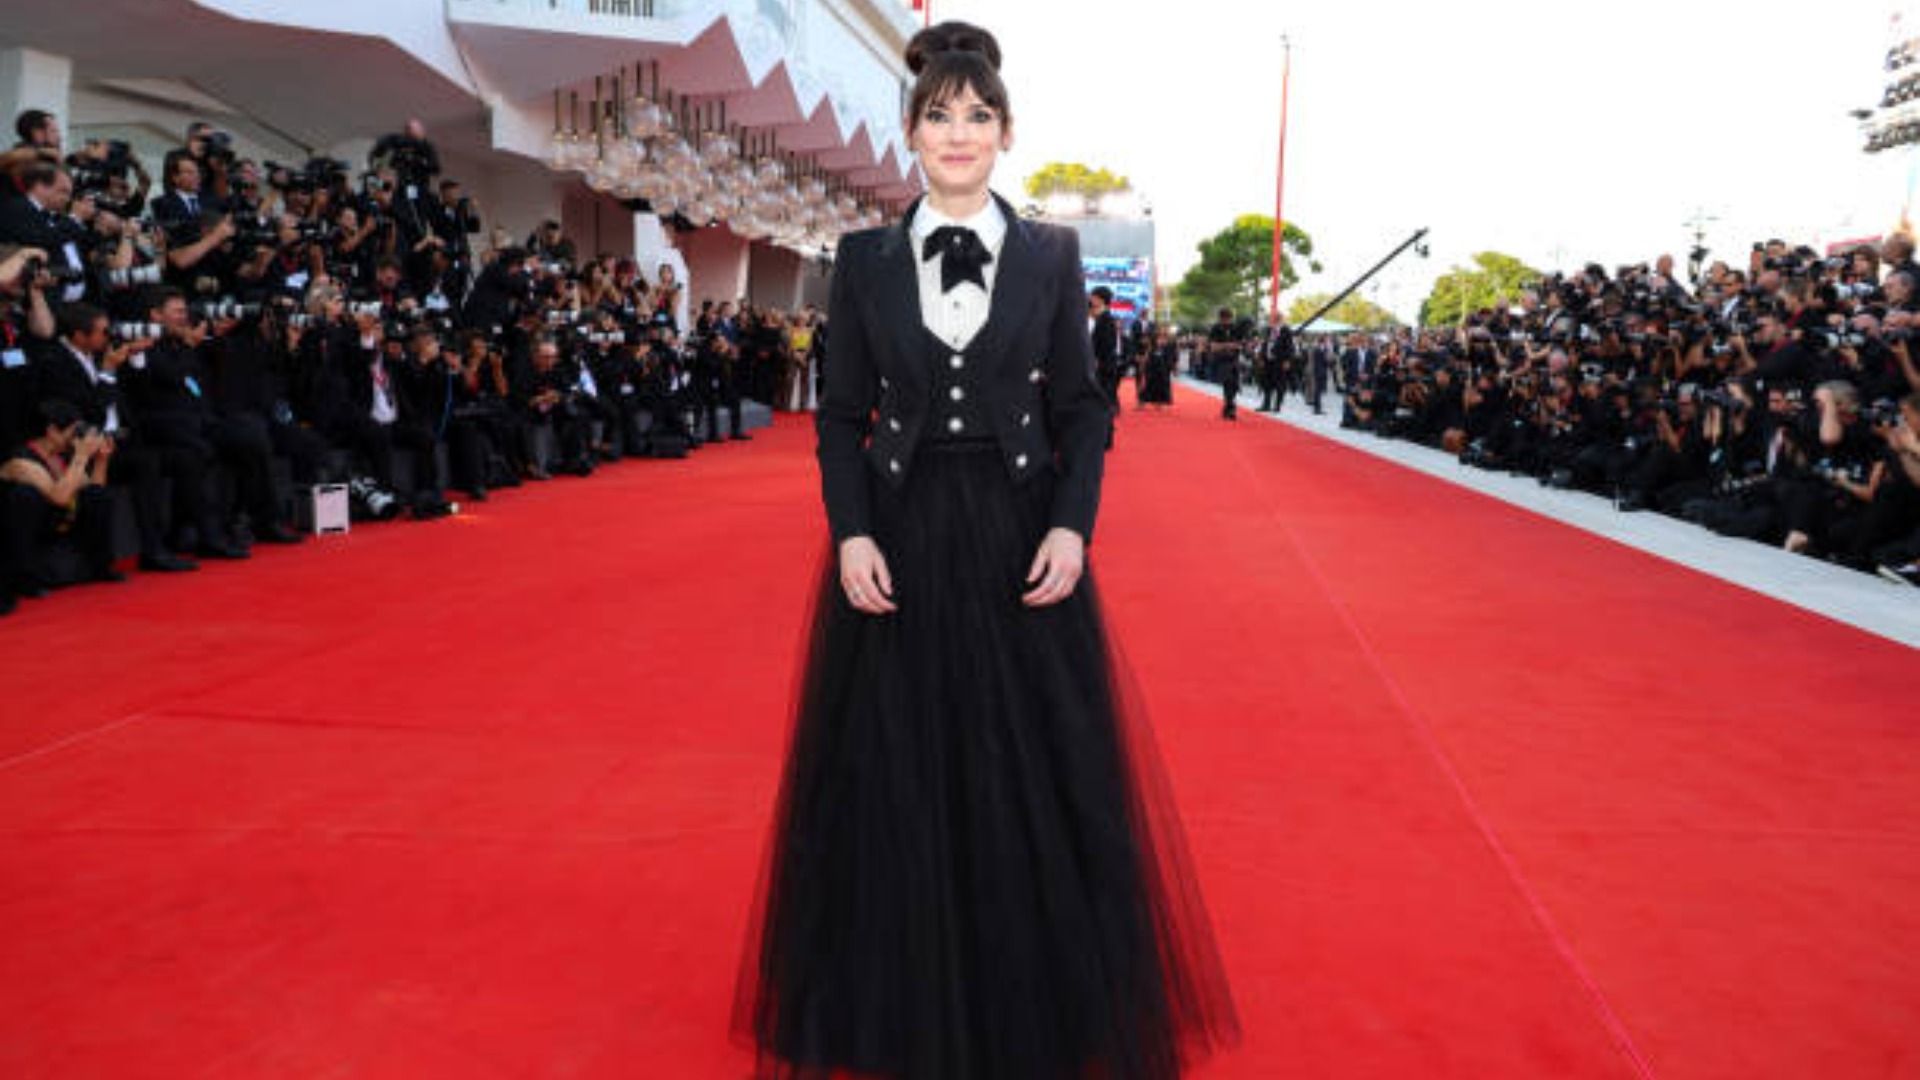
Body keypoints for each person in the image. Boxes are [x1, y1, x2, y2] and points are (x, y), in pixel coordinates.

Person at [730, 21, 1240, 1080]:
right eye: (938, 114)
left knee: (1033, 769)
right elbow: (840, 419)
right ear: (909, 130)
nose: (957, 133)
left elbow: (1085, 409)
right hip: (902, 535)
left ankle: (1031, 1002)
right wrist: (855, 532)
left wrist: (1070, 523)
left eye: (978, 116)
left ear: (1007, 133)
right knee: (895, 768)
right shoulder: (862, 259)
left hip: (1020, 537)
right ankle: (898, 1000)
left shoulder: (1053, 252)